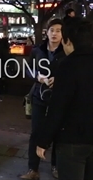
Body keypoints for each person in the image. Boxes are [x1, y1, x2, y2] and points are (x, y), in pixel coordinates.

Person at [36, 17, 93, 180]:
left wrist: (44, 140)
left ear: (68, 42)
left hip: (72, 140)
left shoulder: (68, 66)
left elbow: (58, 107)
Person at [20, 18, 66, 180]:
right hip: (39, 96)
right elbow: (28, 70)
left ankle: (56, 166)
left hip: (59, 98)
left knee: (58, 133)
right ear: (46, 32)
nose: (54, 34)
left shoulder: (66, 51)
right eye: (52, 30)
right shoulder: (37, 50)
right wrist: (38, 77)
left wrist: (59, 79)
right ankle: (33, 169)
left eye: (59, 30)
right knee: (36, 132)